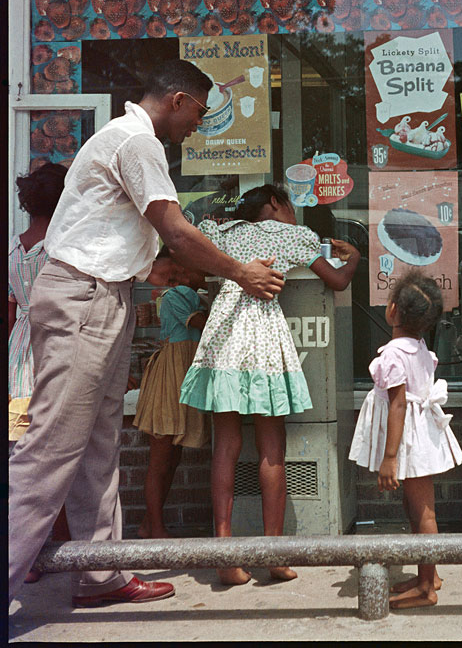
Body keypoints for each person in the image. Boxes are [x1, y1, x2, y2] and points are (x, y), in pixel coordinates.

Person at [9, 59, 286, 608]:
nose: (198, 128)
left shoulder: (124, 139)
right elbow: (175, 232)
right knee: (52, 447)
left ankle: (100, 572)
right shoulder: (137, 142)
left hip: (100, 294)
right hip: (84, 296)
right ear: (178, 100)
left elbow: (154, 245)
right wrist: (241, 271)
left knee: (97, 444)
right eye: (200, 115)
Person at [179, 184, 360, 586]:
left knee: (225, 443)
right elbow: (337, 281)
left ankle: (225, 554)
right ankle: (274, 556)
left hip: (223, 334)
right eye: (290, 205)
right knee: (271, 445)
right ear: (276, 204)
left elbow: (186, 243)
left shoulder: (224, 232)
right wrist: (356, 258)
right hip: (261, 335)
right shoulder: (296, 237)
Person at [349, 271, 462, 609]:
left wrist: (390, 457)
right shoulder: (418, 347)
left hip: (409, 441)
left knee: (424, 511)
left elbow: (398, 404)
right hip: (420, 434)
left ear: (393, 310)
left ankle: (427, 588)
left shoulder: (393, 355)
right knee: (416, 509)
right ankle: (428, 573)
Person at [9, 163, 72, 583]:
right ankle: (55, 547)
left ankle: (31, 554)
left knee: (23, 449)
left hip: (19, 356)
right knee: (59, 454)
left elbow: (12, 309)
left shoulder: (13, 249)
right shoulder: (62, 247)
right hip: (54, 349)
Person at [134, 247, 211, 539]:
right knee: (160, 457)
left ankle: (146, 524)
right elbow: (202, 324)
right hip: (169, 379)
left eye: (179, 272)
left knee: (173, 458)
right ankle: (156, 528)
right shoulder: (172, 297)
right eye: (171, 276)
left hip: (185, 377)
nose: (178, 278)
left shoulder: (197, 296)